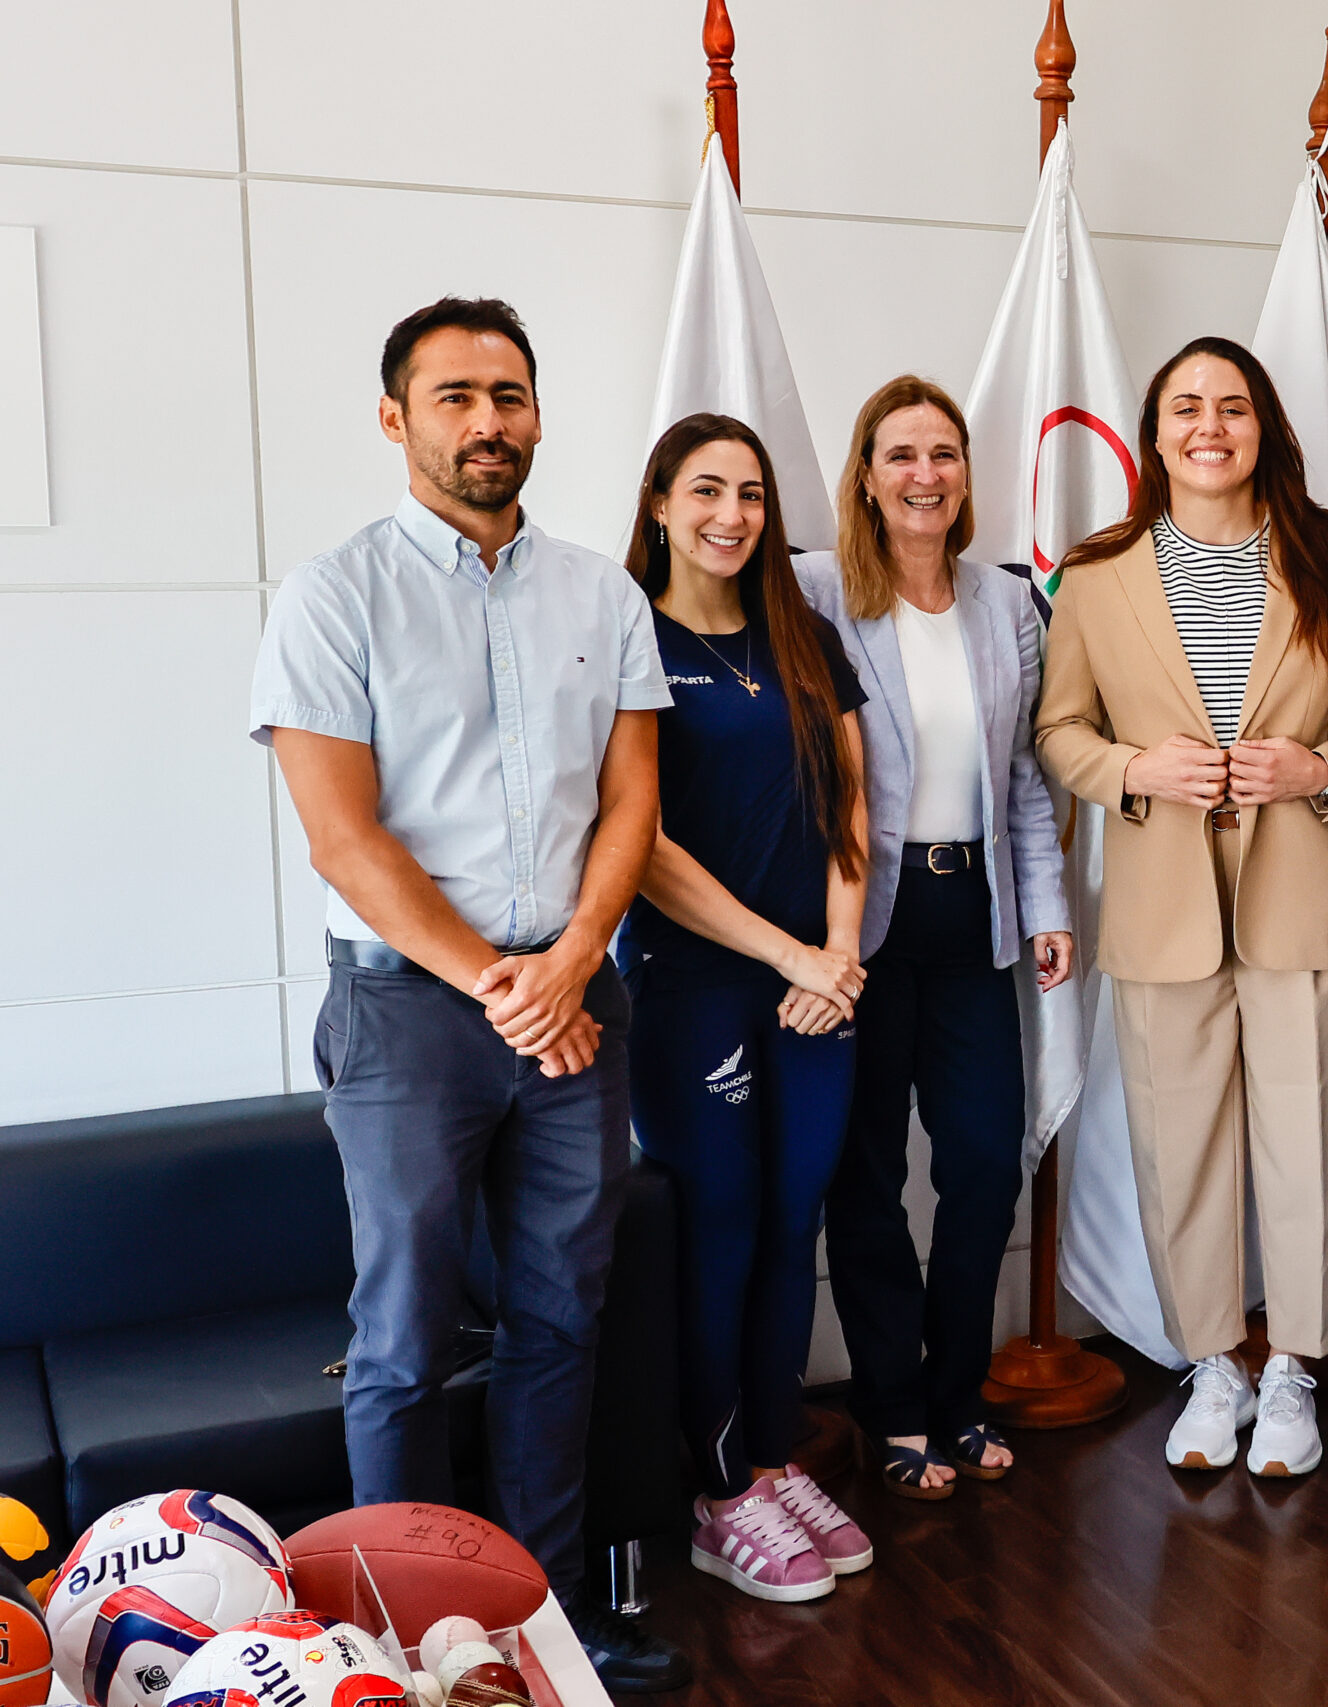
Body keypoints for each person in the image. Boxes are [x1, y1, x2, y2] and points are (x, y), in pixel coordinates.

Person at [248, 298, 688, 1690]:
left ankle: (536, 1625)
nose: (486, 420)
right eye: (453, 396)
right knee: (403, 1336)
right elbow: (342, 835)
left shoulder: (602, 594)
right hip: (408, 1013)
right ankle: (394, 1644)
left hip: (573, 994)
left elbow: (631, 805)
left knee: (564, 1315)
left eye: (508, 393)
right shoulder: (335, 592)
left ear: (539, 413)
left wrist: (567, 967)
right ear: (398, 419)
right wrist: (505, 983)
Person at [1036, 336, 1328, 1479]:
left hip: (1305, 891)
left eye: (1231, 406)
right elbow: (1058, 734)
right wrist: (1137, 770)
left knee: (1311, 1141)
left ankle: (1292, 1369)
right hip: (1161, 900)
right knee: (1179, 1147)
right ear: (1154, 431)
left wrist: (1317, 769)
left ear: (1263, 425)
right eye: (1185, 406)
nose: (1208, 426)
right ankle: (1211, 1366)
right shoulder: (1096, 574)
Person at [797, 377, 1071, 1498]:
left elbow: (1023, 778)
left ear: (966, 474)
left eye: (944, 455)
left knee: (980, 1169)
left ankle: (957, 1397)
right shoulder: (814, 589)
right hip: (862, 923)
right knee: (863, 1181)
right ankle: (894, 1405)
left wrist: (1047, 908)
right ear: (865, 474)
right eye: (901, 455)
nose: (925, 475)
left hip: (977, 920)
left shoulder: (1005, 601)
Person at [617, 413, 875, 1602]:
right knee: (718, 1231)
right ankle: (718, 1496)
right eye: (707, 490)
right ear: (661, 501)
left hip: (818, 986)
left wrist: (834, 950)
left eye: (754, 495)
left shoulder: (805, 634)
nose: (732, 515)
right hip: (697, 990)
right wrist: (792, 959)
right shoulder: (624, 638)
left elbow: (851, 804)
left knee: (790, 1223)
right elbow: (641, 847)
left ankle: (770, 1460)